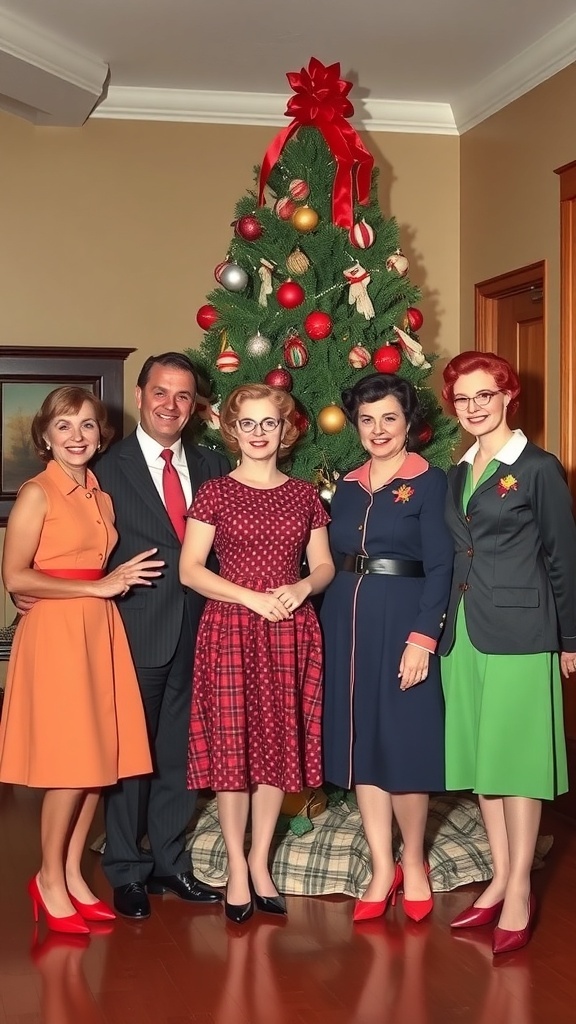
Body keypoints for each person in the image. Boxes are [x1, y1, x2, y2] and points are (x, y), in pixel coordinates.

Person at [0, 387, 159, 933]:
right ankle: (47, 878)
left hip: (97, 628)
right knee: (71, 764)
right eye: (64, 426)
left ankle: (71, 873)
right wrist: (98, 587)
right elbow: (15, 575)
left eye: (88, 425)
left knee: (98, 763)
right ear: (45, 436)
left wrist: (106, 586)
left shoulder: (99, 495)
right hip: (58, 633)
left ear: (100, 435)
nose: (77, 436)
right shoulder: (37, 492)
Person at [180, 383, 334, 923]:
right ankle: (236, 869)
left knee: (276, 745)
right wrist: (249, 596)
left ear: (285, 428)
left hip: (290, 630)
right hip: (229, 630)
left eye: (270, 422)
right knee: (233, 750)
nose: (259, 432)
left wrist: (303, 586)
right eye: (248, 423)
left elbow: (324, 565)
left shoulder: (304, 495)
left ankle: (260, 861)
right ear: (233, 429)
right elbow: (190, 570)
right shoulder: (215, 493)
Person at [439, 351, 576, 954]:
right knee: (485, 766)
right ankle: (498, 878)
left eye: (484, 395)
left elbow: (564, 558)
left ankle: (519, 888)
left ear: (506, 396)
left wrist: (571, 639)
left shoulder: (539, 468)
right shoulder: (457, 471)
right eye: (462, 398)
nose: (473, 407)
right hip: (465, 634)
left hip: (522, 632)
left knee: (517, 765)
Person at [94, 352, 230, 919]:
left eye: (183, 395)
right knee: (131, 754)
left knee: (180, 751)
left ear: (194, 405)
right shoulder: (105, 468)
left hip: (202, 626)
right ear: (140, 395)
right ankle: (127, 868)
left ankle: (170, 862)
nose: (170, 405)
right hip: (137, 626)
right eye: (160, 392)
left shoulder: (215, 464)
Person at [320, 373, 453, 923]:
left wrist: (423, 638)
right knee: (363, 744)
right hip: (345, 622)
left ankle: (414, 862)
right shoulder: (347, 487)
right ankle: (381, 867)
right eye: (367, 419)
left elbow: (442, 566)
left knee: (404, 744)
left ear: (408, 422)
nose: (378, 430)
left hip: (404, 621)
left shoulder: (430, 481)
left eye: (389, 418)